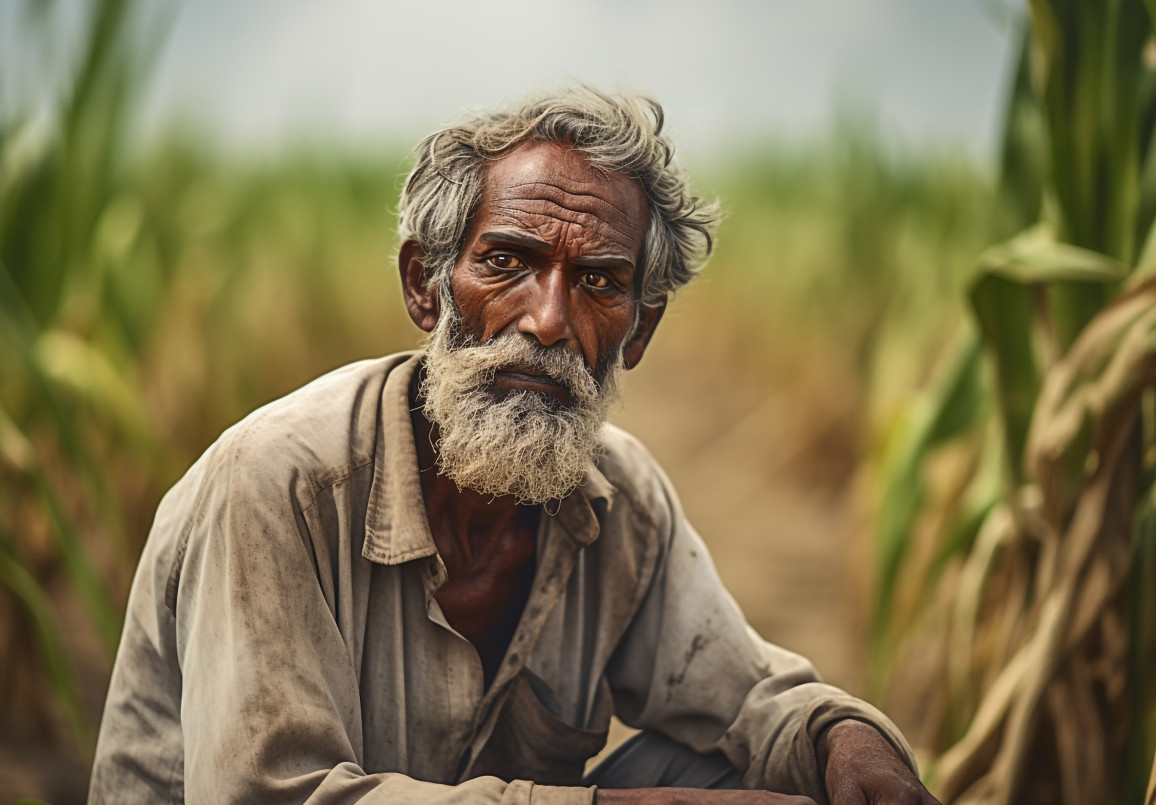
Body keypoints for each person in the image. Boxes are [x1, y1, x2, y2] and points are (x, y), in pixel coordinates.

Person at [89, 88, 939, 805]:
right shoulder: (278, 483)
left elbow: (748, 693)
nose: (549, 320)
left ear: (638, 331)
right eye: (507, 261)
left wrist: (848, 740)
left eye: (599, 281)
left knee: (765, 768)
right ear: (426, 284)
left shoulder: (620, 501)